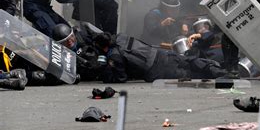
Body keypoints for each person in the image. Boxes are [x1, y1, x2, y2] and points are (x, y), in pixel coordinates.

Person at [93, 32, 226, 83]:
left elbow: (120, 78)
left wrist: (105, 69)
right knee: (189, 61)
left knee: (188, 74)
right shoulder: (121, 37)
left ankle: (215, 75)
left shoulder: (114, 55)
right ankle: (219, 70)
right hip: (160, 53)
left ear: (103, 47)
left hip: (156, 70)